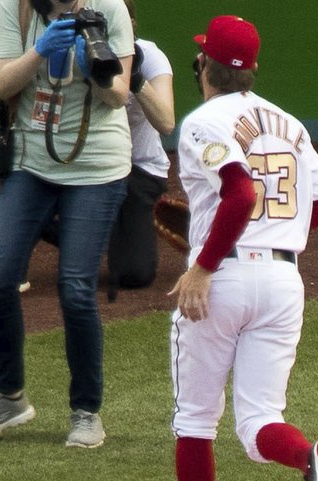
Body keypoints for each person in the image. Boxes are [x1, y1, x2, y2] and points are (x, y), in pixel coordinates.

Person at [157, 13, 318, 481]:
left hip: (225, 281)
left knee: (195, 421)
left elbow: (239, 194)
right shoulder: (290, 124)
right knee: (260, 423)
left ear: (202, 66)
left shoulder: (202, 121)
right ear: (253, 69)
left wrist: (203, 265)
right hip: (285, 283)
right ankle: (308, 457)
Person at [0, 0, 138, 449]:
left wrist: (88, 60)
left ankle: (86, 411)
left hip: (97, 166)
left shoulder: (108, 7)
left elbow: (119, 95)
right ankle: (8, 397)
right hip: (31, 165)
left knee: (76, 289)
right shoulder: (14, 6)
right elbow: (2, 85)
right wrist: (40, 51)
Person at [104, 30, 180, 298]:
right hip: (91, 169)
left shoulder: (150, 57)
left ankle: (116, 225)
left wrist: (135, 79)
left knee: (134, 275)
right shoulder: (77, 55)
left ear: (130, 24)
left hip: (139, 169)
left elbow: (167, 123)